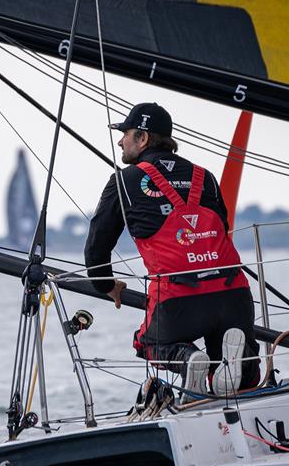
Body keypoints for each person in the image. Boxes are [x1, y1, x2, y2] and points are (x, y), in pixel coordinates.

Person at [84, 102, 260, 403]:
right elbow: (222, 229)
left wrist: (106, 285)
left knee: (150, 344)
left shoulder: (123, 181)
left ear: (142, 139)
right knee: (244, 377)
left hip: (180, 300)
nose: (119, 141)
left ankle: (187, 358)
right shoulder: (205, 177)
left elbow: (97, 246)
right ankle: (233, 364)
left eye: (125, 134)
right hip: (234, 293)